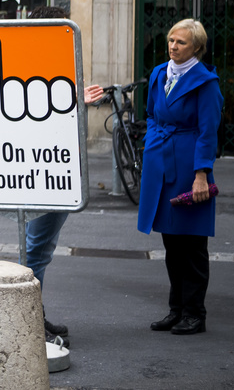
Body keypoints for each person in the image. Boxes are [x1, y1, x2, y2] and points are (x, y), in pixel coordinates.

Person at [89, 18, 222, 336]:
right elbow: (150, 113)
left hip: (189, 165)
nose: (173, 46)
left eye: (181, 43)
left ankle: (195, 314)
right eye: (171, 40)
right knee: (171, 241)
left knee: (191, 244)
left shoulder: (206, 83)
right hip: (159, 160)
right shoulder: (160, 73)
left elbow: (208, 133)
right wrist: (151, 144)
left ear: (197, 48)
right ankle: (176, 310)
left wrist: (201, 174)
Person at [20, 5, 77, 343]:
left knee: (41, 249)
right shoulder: (31, 65)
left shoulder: (51, 62)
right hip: (40, 170)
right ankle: (28, 322)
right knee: (35, 250)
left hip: (56, 170)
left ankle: (33, 314)